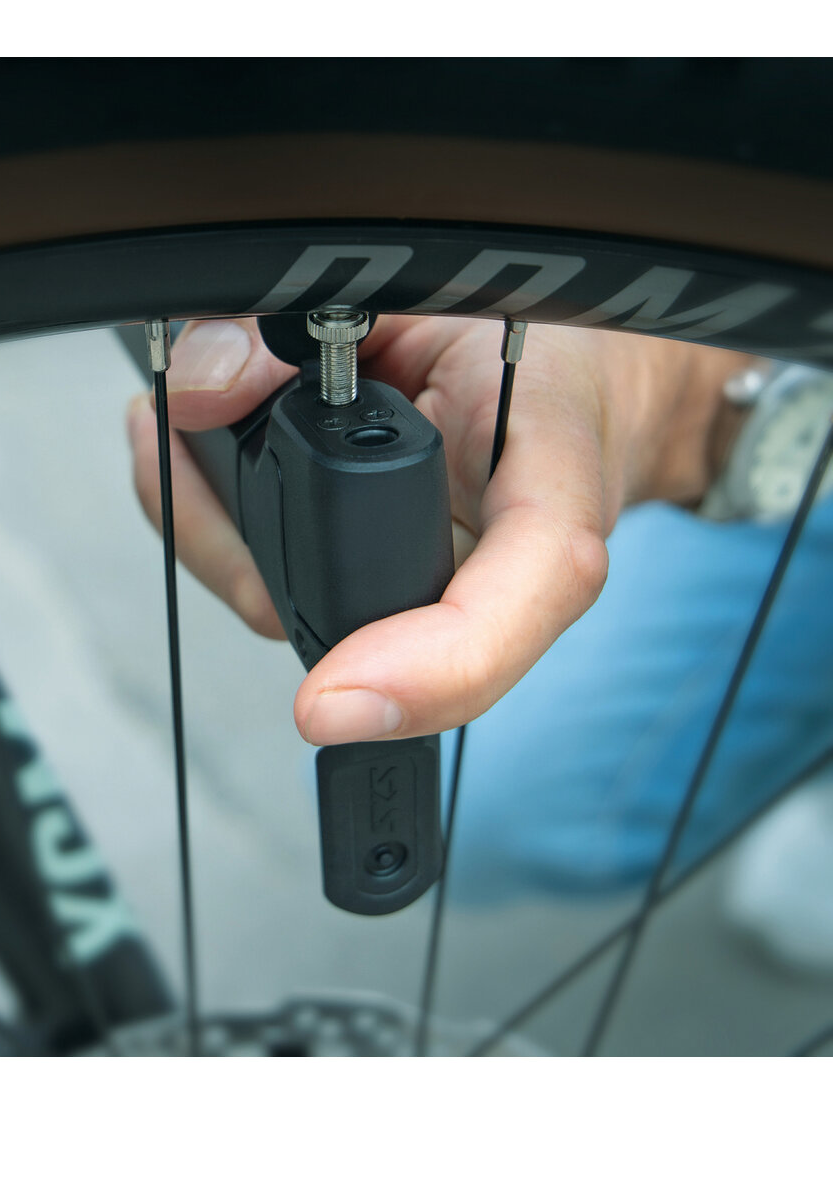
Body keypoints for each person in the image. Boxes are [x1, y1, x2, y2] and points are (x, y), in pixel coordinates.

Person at [125, 316, 833, 914]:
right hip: (780, 353)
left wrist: (686, 405)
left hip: (779, 370)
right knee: (483, 806)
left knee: (508, 802)